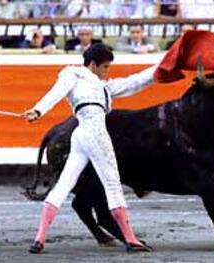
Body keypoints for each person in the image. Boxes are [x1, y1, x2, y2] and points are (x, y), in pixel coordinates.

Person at [23, 43, 156, 254]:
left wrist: (161, 67)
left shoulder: (103, 87)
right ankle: (131, 240)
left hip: (80, 134)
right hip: (95, 131)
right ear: (92, 64)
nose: (107, 71)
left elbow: (135, 82)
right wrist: (38, 110)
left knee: (64, 185)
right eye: (105, 67)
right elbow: (57, 92)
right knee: (112, 184)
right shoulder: (73, 73)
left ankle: (39, 239)